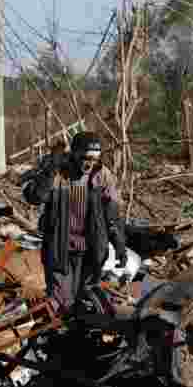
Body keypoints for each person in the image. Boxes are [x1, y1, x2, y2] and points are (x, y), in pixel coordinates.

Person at [23, 131, 127, 315]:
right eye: (86, 158)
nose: (90, 164)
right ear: (75, 154)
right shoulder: (57, 172)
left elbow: (112, 213)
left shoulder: (101, 175)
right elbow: (36, 197)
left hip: (91, 249)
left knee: (85, 301)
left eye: (95, 159)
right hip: (60, 248)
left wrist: (119, 245)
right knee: (62, 302)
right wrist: (51, 168)